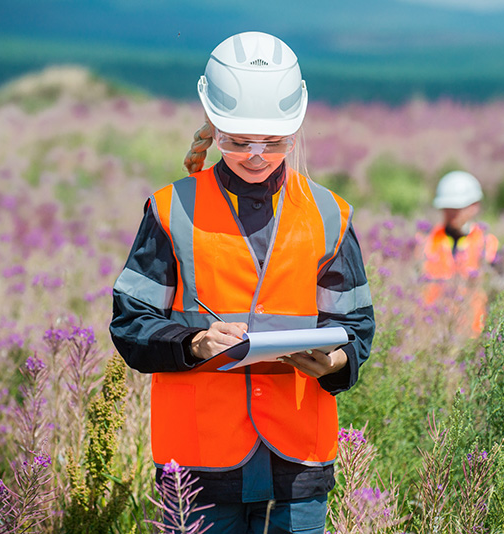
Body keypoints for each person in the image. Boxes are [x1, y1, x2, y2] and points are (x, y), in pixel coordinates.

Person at [109, 32, 374, 533]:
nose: (256, 155)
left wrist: (337, 361)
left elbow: (355, 324)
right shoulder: (171, 209)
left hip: (298, 465)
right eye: (237, 142)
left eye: (273, 143)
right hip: (198, 464)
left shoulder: (330, 214)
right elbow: (130, 325)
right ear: (214, 125)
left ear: (294, 130)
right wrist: (195, 342)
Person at [420, 170, 498, 337]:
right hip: (432, 334)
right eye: (448, 208)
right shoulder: (426, 241)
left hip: (473, 335)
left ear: (474, 206)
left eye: (457, 208)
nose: (452, 214)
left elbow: (498, 291)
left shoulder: (488, 244)